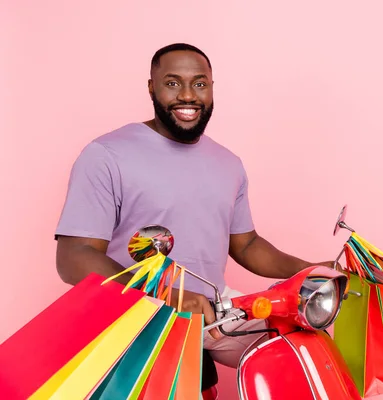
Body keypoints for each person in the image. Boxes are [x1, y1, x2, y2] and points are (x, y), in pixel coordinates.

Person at [54, 42, 335, 368]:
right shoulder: (106, 155)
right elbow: (73, 257)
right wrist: (163, 296)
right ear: (151, 87)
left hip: (212, 309)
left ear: (211, 89)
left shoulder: (228, 163)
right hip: (132, 313)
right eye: (173, 83)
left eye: (199, 84)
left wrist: (313, 270)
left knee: (304, 354)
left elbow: (247, 245)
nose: (188, 95)